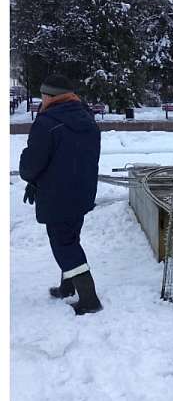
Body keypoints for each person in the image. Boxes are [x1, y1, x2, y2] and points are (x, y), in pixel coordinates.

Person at [18, 73, 103, 315]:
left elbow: (31, 164)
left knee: (65, 245)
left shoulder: (46, 123)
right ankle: (68, 287)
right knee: (70, 239)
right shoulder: (86, 118)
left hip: (57, 195)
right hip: (82, 192)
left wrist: (31, 177)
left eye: (43, 95)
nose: (41, 99)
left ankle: (89, 298)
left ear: (50, 96)